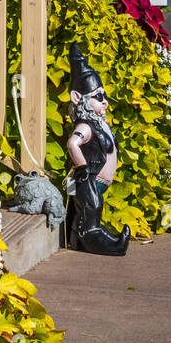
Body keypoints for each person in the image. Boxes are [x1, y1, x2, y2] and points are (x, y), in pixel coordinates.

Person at [66, 42, 130, 255]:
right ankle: (92, 238)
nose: (104, 102)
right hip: (89, 179)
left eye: (104, 96)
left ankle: (82, 237)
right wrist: (82, 166)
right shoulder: (85, 126)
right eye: (98, 96)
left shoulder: (98, 123)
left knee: (90, 210)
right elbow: (73, 143)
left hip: (98, 181)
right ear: (78, 98)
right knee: (90, 210)